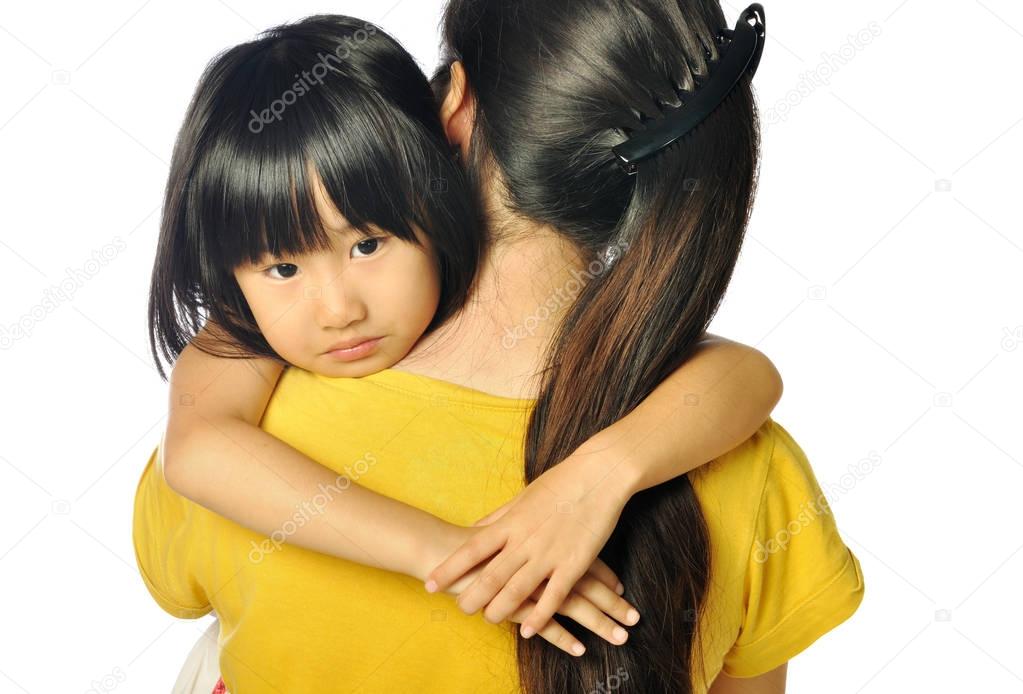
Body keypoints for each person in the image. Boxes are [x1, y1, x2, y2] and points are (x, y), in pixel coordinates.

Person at [134, 2, 863, 693]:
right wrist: (599, 477)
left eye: (363, 246)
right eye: (286, 268)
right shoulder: (747, 467)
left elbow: (186, 526)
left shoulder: (254, 437)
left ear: (453, 104)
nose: (335, 306)